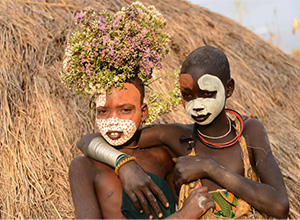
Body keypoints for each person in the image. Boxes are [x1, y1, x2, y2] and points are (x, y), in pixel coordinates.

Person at [77, 46, 290, 219]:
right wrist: (123, 164)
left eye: (207, 94)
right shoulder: (176, 136)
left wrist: (209, 168)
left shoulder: (248, 131)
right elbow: (91, 140)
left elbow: (280, 206)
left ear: (229, 88)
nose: (196, 105)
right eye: (188, 95)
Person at [69, 77, 215, 219]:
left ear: (144, 111)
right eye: (103, 111)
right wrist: (183, 216)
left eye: (125, 110)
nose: (112, 121)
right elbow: (186, 212)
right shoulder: (84, 167)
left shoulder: (160, 157)